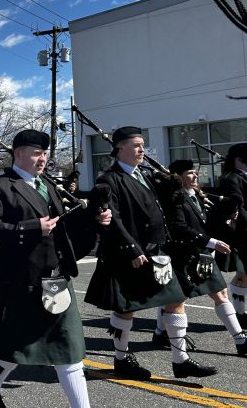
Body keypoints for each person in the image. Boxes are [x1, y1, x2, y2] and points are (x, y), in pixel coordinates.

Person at [0, 130, 111, 408]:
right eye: (36, 153)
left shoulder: (46, 183)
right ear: (18, 153)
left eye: (45, 153)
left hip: (56, 278)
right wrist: (33, 227)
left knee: (69, 351)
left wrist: (94, 218)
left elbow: (63, 226)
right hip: (23, 280)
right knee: (14, 348)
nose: (43, 158)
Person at [85, 127, 217, 380]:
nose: (141, 149)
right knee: (127, 309)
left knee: (176, 299)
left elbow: (166, 205)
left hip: (158, 251)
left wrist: (175, 186)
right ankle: (122, 359)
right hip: (132, 254)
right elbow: (115, 219)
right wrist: (132, 249)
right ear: (119, 148)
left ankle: (181, 360)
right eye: (136, 145)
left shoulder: (145, 175)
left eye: (142, 144)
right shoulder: (109, 180)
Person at [151, 160, 246, 356]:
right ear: (178, 176)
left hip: (200, 255)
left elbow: (206, 224)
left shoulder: (198, 196)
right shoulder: (174, 198)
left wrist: (229, 222)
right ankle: (162, 334)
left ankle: (240, 339)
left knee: (220, 293)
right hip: (182, 255)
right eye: (190, 173)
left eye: (195, 172)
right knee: (175, 299)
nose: (195, 176)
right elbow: (179, 227)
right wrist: (211, 242)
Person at [216, 143, 247, 328]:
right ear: (240, 159)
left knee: (244, 273)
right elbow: (237, 207)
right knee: (243, 272)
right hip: (240, 233)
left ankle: (240, 313)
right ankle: (240, 314)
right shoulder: (230, 178)